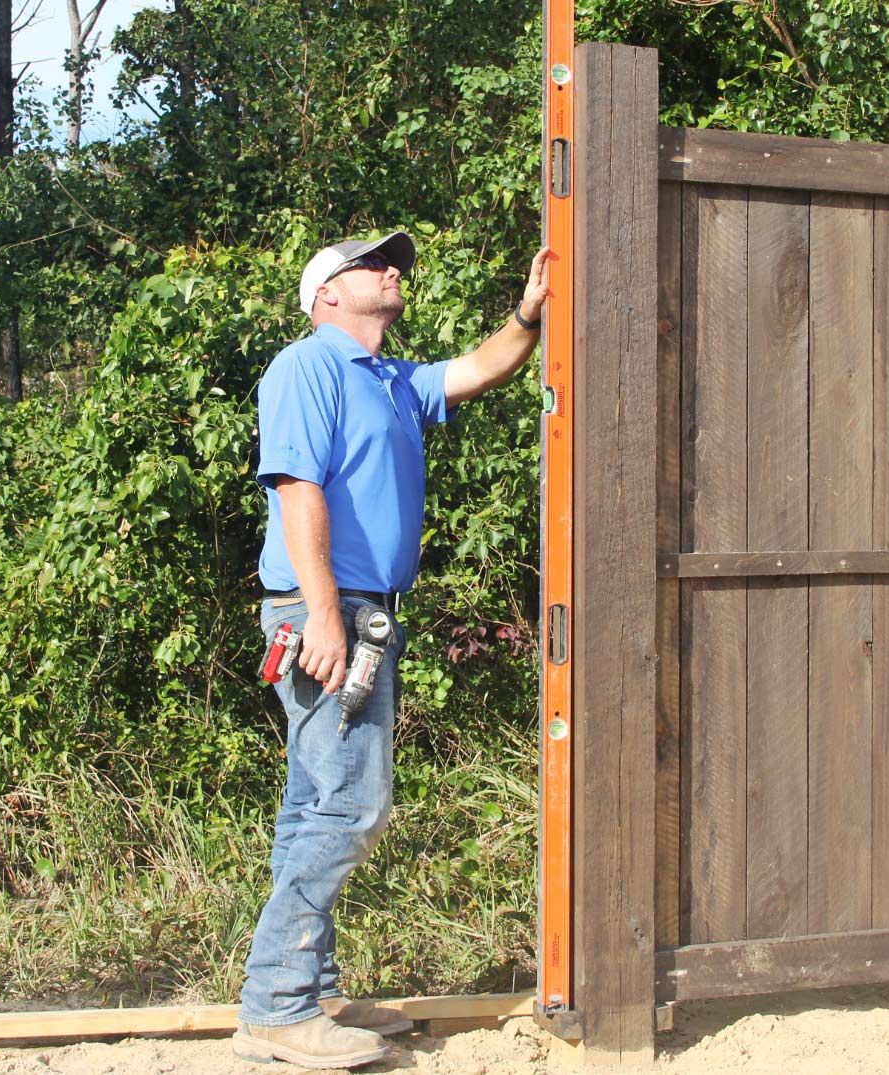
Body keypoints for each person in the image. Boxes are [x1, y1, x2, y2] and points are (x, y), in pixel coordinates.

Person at [231, 231, 550, 1069]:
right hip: (324, 609)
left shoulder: (392, 380)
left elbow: (483, 366)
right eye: (371, 263)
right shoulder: (307, 366)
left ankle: (315, 988)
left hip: (360, 610)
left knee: (314, 800)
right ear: (326, 293)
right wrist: (327, 615)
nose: (391, 269)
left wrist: (529, 310)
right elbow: (298, 487)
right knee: (350, 804)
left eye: (391, 261)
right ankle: (277, 1003)